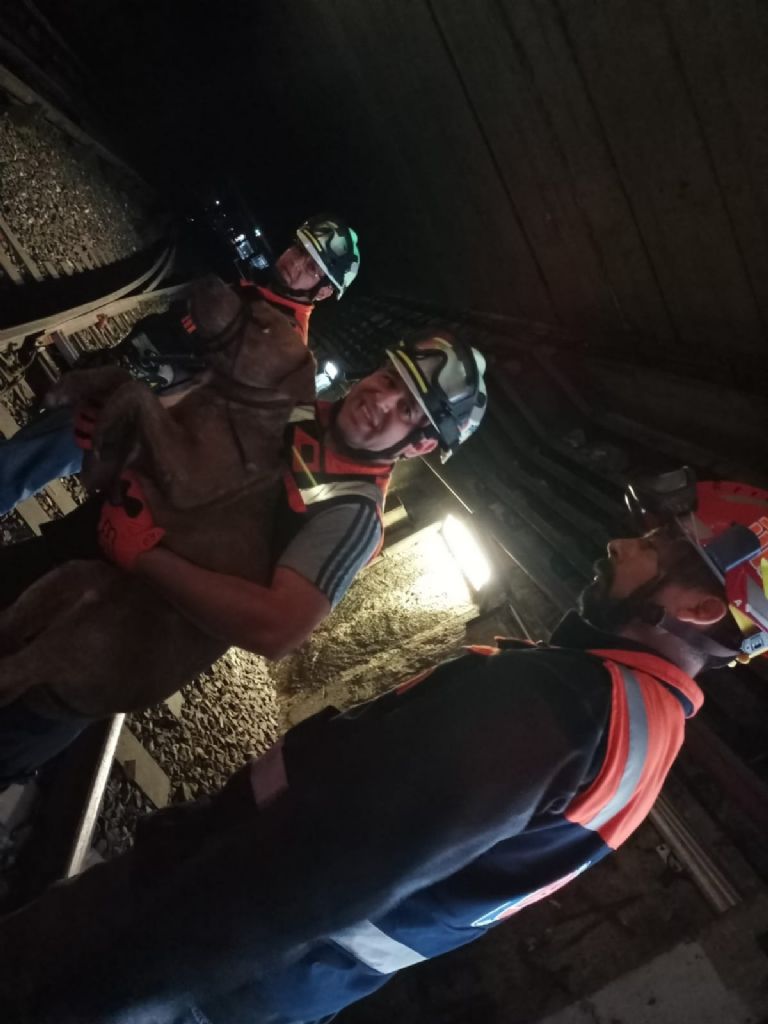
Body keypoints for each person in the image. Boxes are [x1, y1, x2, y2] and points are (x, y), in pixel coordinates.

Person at [1, 467, 765, 1024]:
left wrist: (107, 985)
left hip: (185, 947)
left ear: (701, 606)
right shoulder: (641, 731)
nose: (623, 543)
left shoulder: (563, 705)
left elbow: (330, 873)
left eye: (661, 543)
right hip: (264, 985)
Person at [0, 329, 488, 783]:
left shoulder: (354, 518)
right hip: (56, 558)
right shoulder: (287, 408)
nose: (381, 400)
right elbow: (167, 437)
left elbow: (276, 627)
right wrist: (106, 431)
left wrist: (143, 556)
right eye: (389, 378)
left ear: (422, 443)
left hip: (98, 645)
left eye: (407, 408)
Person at [0, 213, 360, 517]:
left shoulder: (283, 341)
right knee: (31, 449)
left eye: (311, 267)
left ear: (323, 291)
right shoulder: (255, 291)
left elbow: (213, 402)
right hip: (123, 386)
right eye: (299, 248)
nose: (295, 261)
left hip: (133, 414)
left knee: (28, 460)